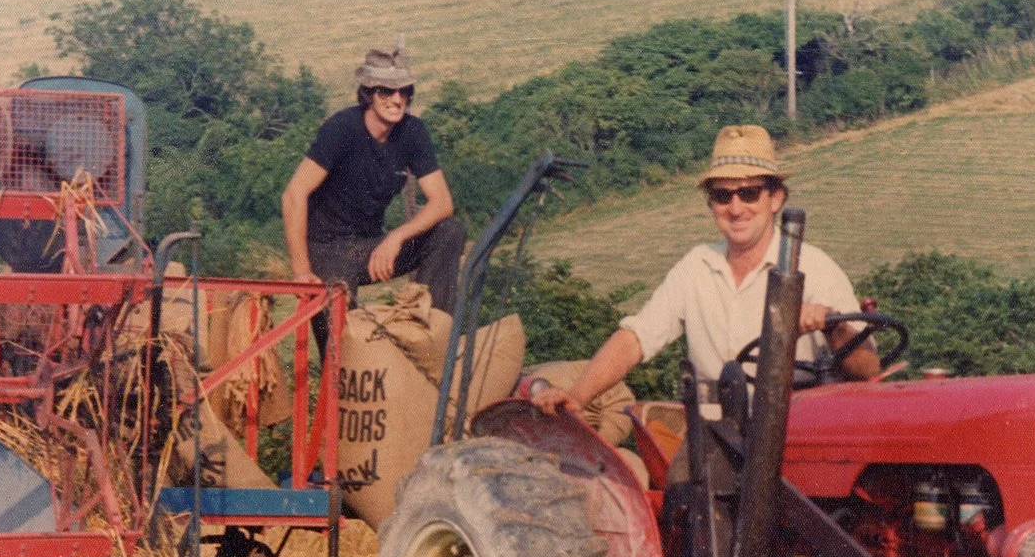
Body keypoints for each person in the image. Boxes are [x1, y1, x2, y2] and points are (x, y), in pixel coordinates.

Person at [532, 124, 878, 425]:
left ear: (776, 198)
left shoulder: (815, 270)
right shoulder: (695, 267)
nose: (736, 207)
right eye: (722, 195)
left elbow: (867, 370)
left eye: (749, 192)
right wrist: (578, 395)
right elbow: (636, 339)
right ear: (710, 203)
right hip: (712, 436)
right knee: (678, 493)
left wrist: (833, 325)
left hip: (794, 431)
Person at [280, 40, 466, 348]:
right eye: (386, 91)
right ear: (369, 94)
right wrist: (301, 271)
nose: (396, 100)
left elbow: (442, 202)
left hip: (369, 245)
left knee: (449, 231)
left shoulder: (412, 131)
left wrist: (396, 238)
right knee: (346, 351)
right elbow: (294, 194)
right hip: (328, 249)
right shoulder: (342, 129)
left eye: (403, 91)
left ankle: (431, 337)